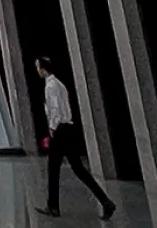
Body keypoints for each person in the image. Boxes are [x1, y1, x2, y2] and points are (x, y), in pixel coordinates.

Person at [35, 57, 116, 220]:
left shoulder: (50, 86)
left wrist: (52, 127)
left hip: (60, 130)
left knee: (53, 169)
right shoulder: (60, 84)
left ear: (43, 69)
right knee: (78, 169)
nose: (37, 70)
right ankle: (106, 202)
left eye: (37, 67)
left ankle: (53, 206)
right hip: (68, 129)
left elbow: (55, 109)